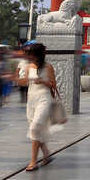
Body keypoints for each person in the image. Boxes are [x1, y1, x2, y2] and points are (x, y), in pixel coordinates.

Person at [23, 43, 56, 171]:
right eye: (29, 55)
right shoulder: (29, 67)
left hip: (44, 98)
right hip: (31, 99)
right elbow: (25, 82)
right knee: (36, 129)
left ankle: (33, 161)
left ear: (39, 55)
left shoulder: (48, 67)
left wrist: (42, 81)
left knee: (35, 127)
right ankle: (46, 154)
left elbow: (53, 85)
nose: (31, 57)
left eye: (33, 55)